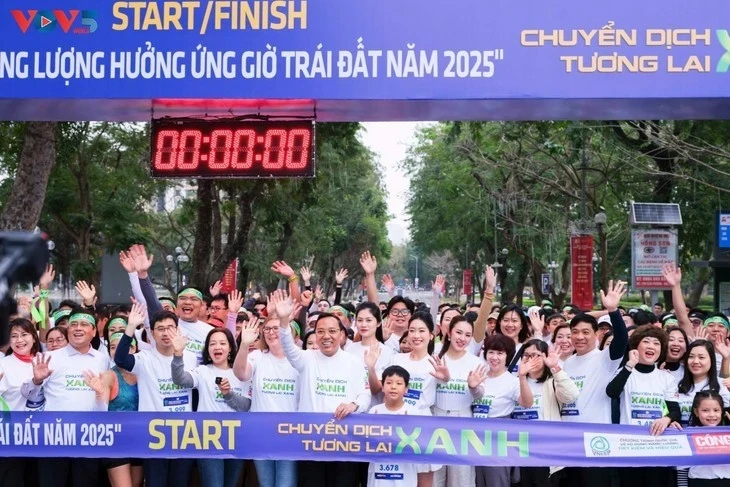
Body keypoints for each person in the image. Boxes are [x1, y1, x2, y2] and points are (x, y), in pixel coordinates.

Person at [276, 290, 370, 487]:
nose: (326, 336)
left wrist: (354, 404)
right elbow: (287, 346)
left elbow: (365, 394)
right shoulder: (306, 359)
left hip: (345, 442)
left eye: (332, 331)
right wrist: (284, 321)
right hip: (311, 442)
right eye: (320, 331)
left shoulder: (354, 362)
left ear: (342, 334)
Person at [22, 309, 109, 487]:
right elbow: (28, 395)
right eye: (74, 324)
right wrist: (37, 380)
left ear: (94, 331)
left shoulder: (102, 359)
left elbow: (103, 404)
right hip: (54, 437)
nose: (78, 329)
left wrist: (100, 394)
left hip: (88, 437)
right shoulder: (49, 357)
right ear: (67, 329)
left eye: (84, 325)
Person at [114, 304, 197, 487]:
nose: (165, 333)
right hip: (154, 436)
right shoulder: (144, 358)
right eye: (160, 329)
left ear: (178, 330)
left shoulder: (190, 357)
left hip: (184, 435)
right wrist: (129, 329)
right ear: (152, 332)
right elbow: (120, 359)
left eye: (170, 328)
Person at [557, 280, 629, 487]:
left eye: (586, 332)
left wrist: (613, 310)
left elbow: (622, 340)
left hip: (596, 442)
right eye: (575, 332)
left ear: (597, 334)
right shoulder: (567, 362)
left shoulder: (605, 359)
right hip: (568, 441)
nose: (580, 337)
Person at [171, 327, 250, 487]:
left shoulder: (242, 373)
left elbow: (245, 407)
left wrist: (228, 394)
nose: (217, 347)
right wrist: (178, 353)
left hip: (237, 439)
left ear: (230, 348)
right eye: (212, 344)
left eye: (222, 343)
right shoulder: (203, 371)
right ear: (207, 350)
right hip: (208, 440)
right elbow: (180, 379)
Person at [605, 327, 680, 487]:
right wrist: (629, 365)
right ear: (636, 347)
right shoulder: (625, 371)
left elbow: (675, 410)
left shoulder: (666, 378)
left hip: (657, 447)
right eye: (646, 342)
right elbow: (612, 392)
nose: (651, 346)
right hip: (629, 447)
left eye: (656, 343)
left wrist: (666, 419)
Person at [234, 317, 300, 487]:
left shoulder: (300, 358)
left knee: (286, 483)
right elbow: (241, 374)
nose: (271, 333)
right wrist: (243, 344)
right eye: (267, 329)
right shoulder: (257, 356)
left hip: (290, 434)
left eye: (276, 328)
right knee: (266, 483)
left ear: (288, 331)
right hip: (261, 432)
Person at [509, 339, 579, 487]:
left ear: (545, 357)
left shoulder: (553, 381)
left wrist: (555, 367)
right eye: (526, 355)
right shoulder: (514, 382)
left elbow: (571, 396)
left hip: (545, 449)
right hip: (519, 449)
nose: (530, 359)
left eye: (536, 355)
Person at [472, 334, 538, 487]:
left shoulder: (512, 381)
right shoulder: (478, 374)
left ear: (507, 356)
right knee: (476, 480)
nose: (495, 357)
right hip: (474, 435)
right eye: (491, 352)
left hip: (498, 437)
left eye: (500, 353)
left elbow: (527, 403)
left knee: (497, 480)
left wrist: (522, 377)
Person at [83, 330, 143, 487]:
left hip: (140, 439)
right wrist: (99, 393)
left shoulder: (144, 372)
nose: (118, 351)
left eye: (124, 346)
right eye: (113, 347)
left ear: (134, 348)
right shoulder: (109, 375)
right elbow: (100, 413)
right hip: (116, 440)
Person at [432, 316, 486, 487]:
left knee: (461, 479)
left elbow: (479, 395)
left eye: (467, 335)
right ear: (449, 333)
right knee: (434, 477)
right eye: (459, 332)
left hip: (463, 423)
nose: (462, 338)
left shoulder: (475, 362)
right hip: (435, 420)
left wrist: (473, 387)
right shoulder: (435, 357)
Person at [0, 318, 43, 486]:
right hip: (12, 437)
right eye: (14, 336)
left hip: (43, 436)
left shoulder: (45, 360)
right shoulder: (4, 364)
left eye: (24, 334)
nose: (19, 340)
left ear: (34, 337)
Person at [367, 366, 419, 487]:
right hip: (379, 474)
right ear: (383, 387)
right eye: (389, 383)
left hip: (404, 475)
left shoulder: (414, 412)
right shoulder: (375, 411)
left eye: (399, 383)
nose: (393, 387)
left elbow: (419, 445)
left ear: (406, 389)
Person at [685, 391, 730, 486]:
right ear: (696, 412)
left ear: (722, 411)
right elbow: (682, 469)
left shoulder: (728, 434)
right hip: (698, 481)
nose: (711, 414)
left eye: (716, 410)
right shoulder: (689, 436)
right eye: (705, 410)